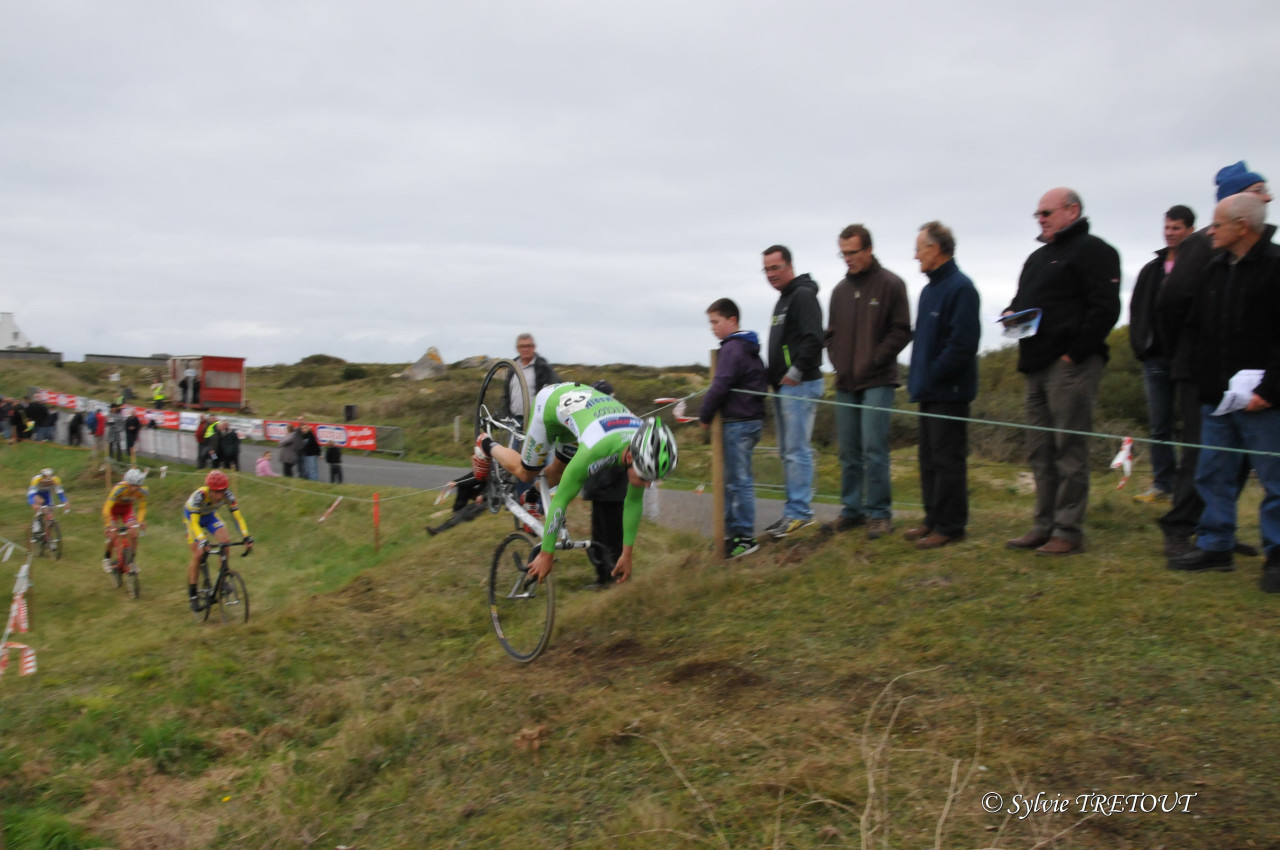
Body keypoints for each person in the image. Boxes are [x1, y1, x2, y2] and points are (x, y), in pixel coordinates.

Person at [1156, 162, 1273, 557]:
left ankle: (1251, 544)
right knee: (1208, 465)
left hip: (1256, 390)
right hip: (1209, 384)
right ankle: (1198, 536)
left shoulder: (1270, 264)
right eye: (1261, 189)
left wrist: (1270, 387)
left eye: (1218, 225)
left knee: (1257, 470)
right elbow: (1178, 307)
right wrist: (1196, 364)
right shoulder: (1208, 256)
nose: (1269, 196)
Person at [1003, 188, 1121, 556]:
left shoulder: (1095, 251)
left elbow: (1105, 308)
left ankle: (1068, 531)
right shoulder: (1038, 257)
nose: (1040, 219)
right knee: (1040, 450)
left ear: (1072, 211)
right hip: (1035, 364)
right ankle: (1043, 525)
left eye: (1046, 212)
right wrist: (1011, 314)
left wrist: (1074, 354)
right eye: (1037, 214)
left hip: (1070, 365)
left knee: (1068, 447)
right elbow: (1023, 302)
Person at [476, 382, 679, 584]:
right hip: (550, 405)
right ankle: (485, 444)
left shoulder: (640, 450)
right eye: (644, 478)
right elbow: (561, 499)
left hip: (581, 413)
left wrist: (626, 554)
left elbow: (633, 503)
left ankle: (531, 496)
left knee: (559, 470)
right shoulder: (595, 449)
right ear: (629, 457)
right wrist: (546, 554)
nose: (645, 485)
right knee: (527, 472)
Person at [824, 224, 913, 539]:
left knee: (874, 448)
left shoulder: (892, 284)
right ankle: (853, 511)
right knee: (848, 451)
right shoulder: (839, 292)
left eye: (852, 252)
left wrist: (876, 359)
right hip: (846, 384)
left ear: (868, 250)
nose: (847, 258)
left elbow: (902, 330)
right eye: (843, 253)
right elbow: (831, 334)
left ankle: (879, 514)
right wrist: (837, 361)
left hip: (879, 381)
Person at [905, 222, 981, 549]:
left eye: (919, 248)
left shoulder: (961, 288)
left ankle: (950, 526)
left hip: (949, 393)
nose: (915, 255)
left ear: (935, 249)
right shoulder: (929, 290)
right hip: (928, 391)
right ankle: (932, 518)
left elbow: (962, 344)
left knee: (948, 459)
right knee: (929, 458)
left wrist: (934, 373)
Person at [1128, 205, 1196, 503]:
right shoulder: (1151, 269)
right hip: (1155, 357)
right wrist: (1140, 345)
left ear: (1190, 230)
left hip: (1189, 358)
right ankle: (1162, 484)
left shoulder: (1199, 265)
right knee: (1160, 425)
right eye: (1167, 227)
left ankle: (1189, 487)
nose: (1170, 233)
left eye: (1176, 228)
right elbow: (1137, 309)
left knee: (1192, 425)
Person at [761, 244, 825, 539]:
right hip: (783, 389)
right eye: (766, 269)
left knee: (797, 450)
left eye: (775, 268)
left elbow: (814, 339)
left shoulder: (802, 296)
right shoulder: (783, 300)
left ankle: (800, 513)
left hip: (800, 385)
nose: (771, 274)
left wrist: (794, 373)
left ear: (789, 265)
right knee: (788, 451)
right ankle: (793, 512)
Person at [698, 299, 768, 558]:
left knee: (739, 482)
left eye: (716, 322)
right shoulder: (747, 348)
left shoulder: (733, 348)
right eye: (711, 323)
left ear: (732, 321)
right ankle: (728, 535)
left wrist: (704, 415)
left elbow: (721, 383)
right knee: (732, 481)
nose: (713, 328)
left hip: (739, 423)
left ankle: (745, 537)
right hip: (748, 420)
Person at [183, 470, 252, 612]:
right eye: (217, 492)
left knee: (226, 541)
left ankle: (223, 578)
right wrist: (202, 540)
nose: (220, 496)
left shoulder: (228, 495)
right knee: (198, 554)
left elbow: (237, 518)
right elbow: (195, 523)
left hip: (209, 516)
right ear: (210, 489)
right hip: (192, 518)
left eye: (223, 491)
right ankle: (193, 594)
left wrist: (246, 536)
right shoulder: (200, 496)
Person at [102, 468, 148, 574]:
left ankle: (131, 562)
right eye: (131, 485)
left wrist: (140, 521)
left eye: (137, 485)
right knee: (112, 535)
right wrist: (108, 525)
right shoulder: (119, 488)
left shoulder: (142, 491)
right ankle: (106, 559)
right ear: (127, 482)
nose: (134, 488)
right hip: (113, 510)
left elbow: (142, 508)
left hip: (127, 510)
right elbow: (107, 507)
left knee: (134, 534)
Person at [508, 333, 560, 418]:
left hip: (534, 419)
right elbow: (507, 395)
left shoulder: (543, 367)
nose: (526, 349)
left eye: (529, 346)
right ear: (518, 348)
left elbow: (553, 389)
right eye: (522, 346)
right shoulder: (513, 367)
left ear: (534, 347)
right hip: (514, 420)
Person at [27, 468, 69, 539]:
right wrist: (33, 504)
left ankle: (47, 538)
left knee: (50, 516)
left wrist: (65, 502)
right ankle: (36, 523)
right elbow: (31, 496)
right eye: (45, 482)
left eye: (49, 482)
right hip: (36, 494)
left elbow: (60, 493)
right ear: (41, 479)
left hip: (46, 494)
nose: (47, 483)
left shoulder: (56, 480)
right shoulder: (35, 480)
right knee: (40, 501)